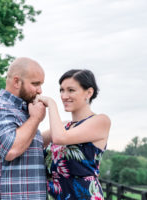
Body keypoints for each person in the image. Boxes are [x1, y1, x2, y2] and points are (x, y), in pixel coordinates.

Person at [0, 57, 47, 199]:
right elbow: (10, 149)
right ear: (16, 81)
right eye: (35, 84)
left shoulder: (25, 112)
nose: (40, 90)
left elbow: (30, 145)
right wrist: (35, 119)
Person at [37, 69, 111, 200]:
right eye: (62, 90)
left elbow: (60, 138)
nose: (64, 96)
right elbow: (32, 143)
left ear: (89, 92)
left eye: (71, 90)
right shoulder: (64, 126)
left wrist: (52, 104)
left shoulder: (101, 121)